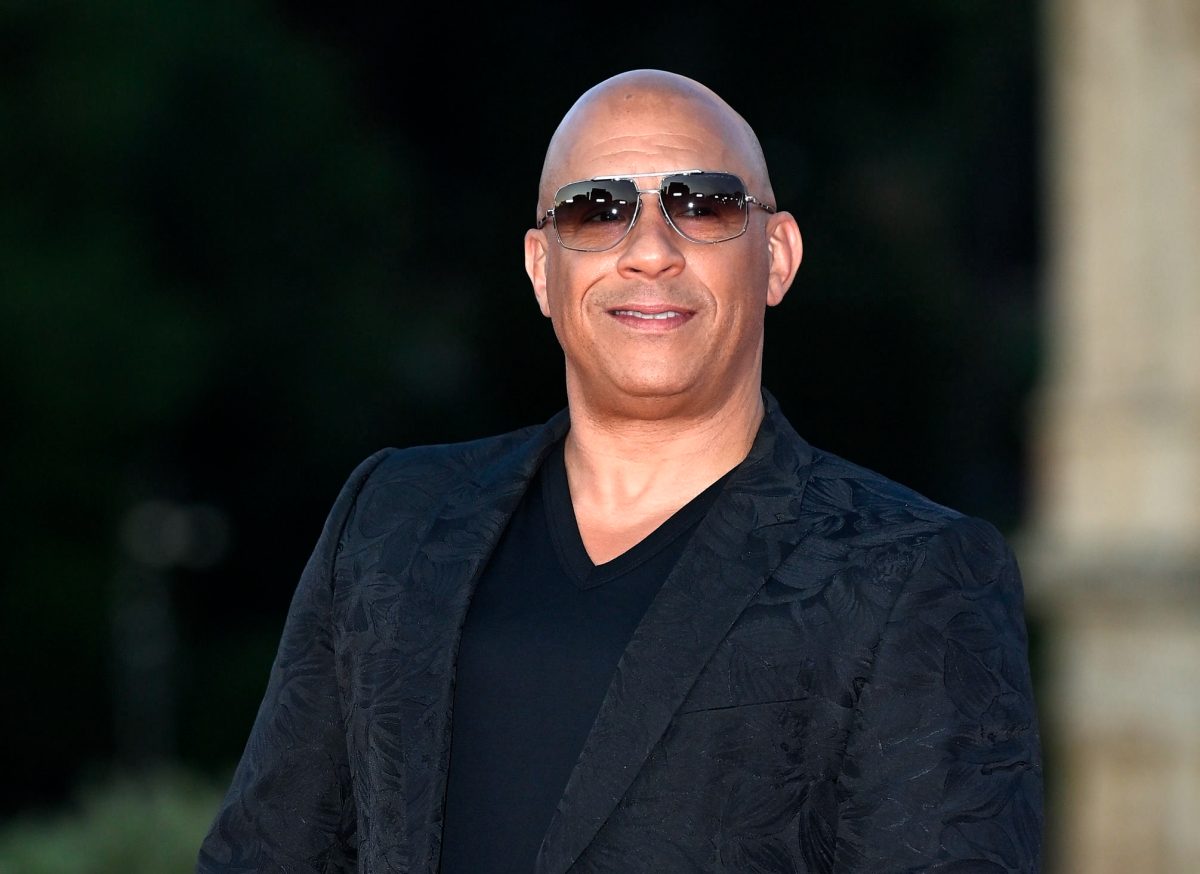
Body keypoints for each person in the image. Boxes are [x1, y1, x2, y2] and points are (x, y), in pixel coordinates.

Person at [197, 69, 1044, 873]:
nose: (649, 251)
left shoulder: (912, 573)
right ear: (542, 269)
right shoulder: (390, 521)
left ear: (778, 256)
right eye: (595, 210)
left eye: (703, 205)